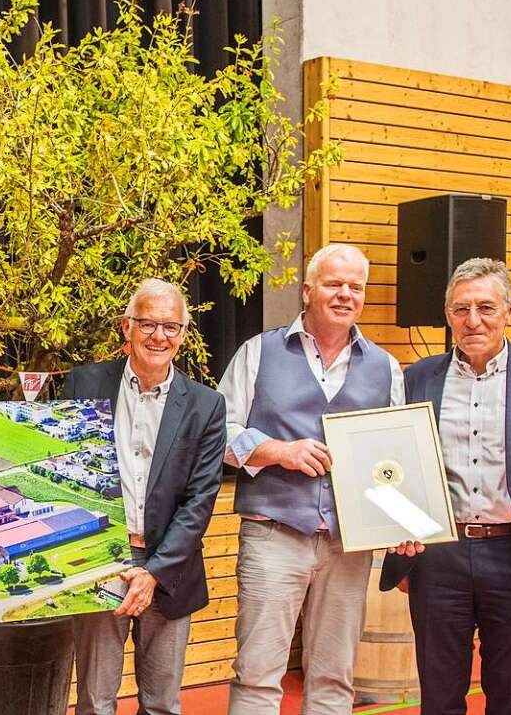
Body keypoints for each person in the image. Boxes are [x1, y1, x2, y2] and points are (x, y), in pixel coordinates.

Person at [380, 257, 511, 714]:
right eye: (460, 309)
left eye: (486, 308)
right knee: (439, 696)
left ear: (510, 309)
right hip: (439, 558)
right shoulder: (416, 378)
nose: (472, 321)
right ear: (447, 313)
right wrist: (401, 534)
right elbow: (394, 467)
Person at [218, 243, 405, 714]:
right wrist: (277, 451)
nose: (345, 294)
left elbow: (397, 458)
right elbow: (219, 432)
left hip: (349, 544)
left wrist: (406, 521)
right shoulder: (258, 351)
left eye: (355, 287)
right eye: (333, 283)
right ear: (307, 290)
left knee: (334, 677)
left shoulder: (386, 368)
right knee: (258, 674)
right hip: (272, 534)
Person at [63, 278, 226, 715]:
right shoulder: (84, 383)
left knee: (161, 704)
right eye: (148, 324)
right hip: (101, 563)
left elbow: (200, 500)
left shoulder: (206, 405)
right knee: (95, 702)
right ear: (126, 327)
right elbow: (68, 471)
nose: (159, 336)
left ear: (184, 335)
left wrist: (152, 572)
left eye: (171, 327)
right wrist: (102, 555)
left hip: (171, 572)